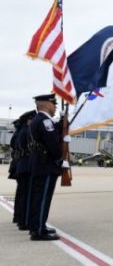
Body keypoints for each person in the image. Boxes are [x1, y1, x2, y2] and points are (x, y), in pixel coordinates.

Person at [27, 94, 68, 241]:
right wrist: (60, 159)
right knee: (43, 198)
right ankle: (39, 231)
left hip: (40, 164)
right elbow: (52, 143)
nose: (55, 107)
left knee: (38, 198)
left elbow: (50, 135)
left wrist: (62, 121)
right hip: (46, 165)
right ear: (46, 105)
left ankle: (37, 226)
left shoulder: (40, 120)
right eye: (54, 104)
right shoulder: (45, 121)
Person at [9, 111, 36, 230]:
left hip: (20, 164)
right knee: (25, 194)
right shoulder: (26, 132)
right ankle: (23, 221)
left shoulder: (20, 132)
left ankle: (18, 217)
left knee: (21, 194)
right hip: (25, 165)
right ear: (29, 120)